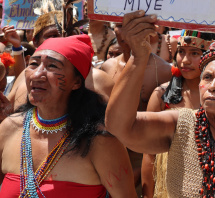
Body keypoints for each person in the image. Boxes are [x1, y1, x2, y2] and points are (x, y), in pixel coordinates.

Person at [106, 10, 215, 198]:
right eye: (207, 77)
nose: (212, 86)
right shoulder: (180, 124)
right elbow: (118, 126)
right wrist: (138, 57)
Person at [0, 35, 136, 197]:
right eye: (33, 64)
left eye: (52, 66)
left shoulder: (100, 139)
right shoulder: (9, 128)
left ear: (77, 82)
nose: (37, 74)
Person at [141, 30, 215, 198]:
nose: (185, 60)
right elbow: (149, 153)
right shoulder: (161, 95)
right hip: (168, 184)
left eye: (195, 53)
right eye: (181, 52)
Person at [100, 22, 172, 193]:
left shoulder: (163, 71)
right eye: (120, 25)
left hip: (145, 159)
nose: (127, 31)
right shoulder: (107, 67)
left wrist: (143, 172)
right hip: (108, 158)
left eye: (133, 24)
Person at [7, 11, 115, 111]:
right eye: (53, 36)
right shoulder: (27, 75)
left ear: (77, 82)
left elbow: (116, 124)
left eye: (70, 34)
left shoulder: (98, 79)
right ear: (35, 42)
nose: (63, 39)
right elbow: (8, 113)